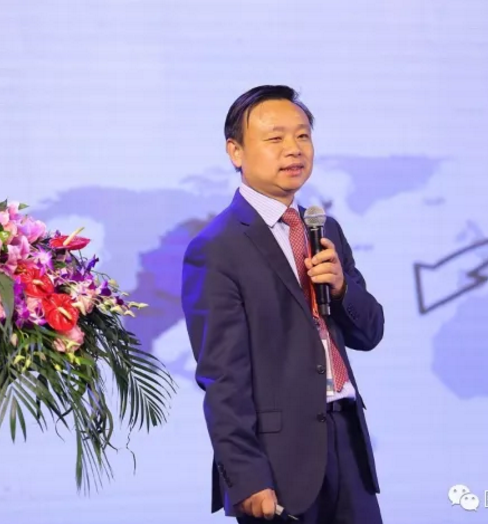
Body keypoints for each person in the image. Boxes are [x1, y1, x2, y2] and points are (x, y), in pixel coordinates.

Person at [181, 85, 385, 524]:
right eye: (275, 138)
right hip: (277, 461)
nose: (294, 149)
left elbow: (370, 332)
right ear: (235, 151)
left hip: (347, 441)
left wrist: (342, 288)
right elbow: (222, 375)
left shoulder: (323, 228)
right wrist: (245, 476)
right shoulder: (217, 247)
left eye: (303, 136)